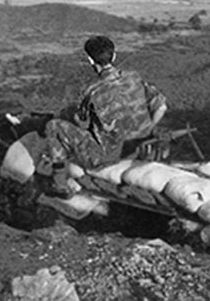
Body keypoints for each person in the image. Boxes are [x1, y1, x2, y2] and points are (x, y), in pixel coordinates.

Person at [44, 35, 167, 196]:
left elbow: (82, 124)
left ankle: (59, 182)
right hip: (139, 146)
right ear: (114, 56)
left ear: (90, 60)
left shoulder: (91, 90)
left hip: (106, 157)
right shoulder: (134, 78)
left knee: (53, 126)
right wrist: (149, 127)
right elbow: (162, 106)